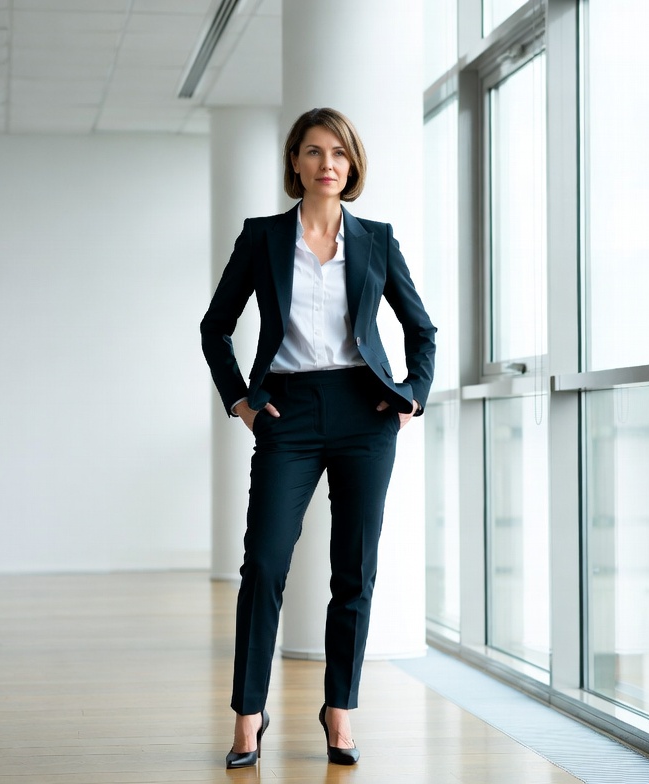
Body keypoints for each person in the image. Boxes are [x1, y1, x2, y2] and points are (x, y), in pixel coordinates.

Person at [200, 107, 436, 768]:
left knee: (353, 570)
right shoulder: (262, 238)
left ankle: (340, 711)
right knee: (264, 565)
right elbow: (214, 326)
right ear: (295, 164)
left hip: (367, 411)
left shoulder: (377, 242)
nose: (327, 162)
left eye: (339, 151)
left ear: (352, 165)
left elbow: (423, 330)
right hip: (289, 413)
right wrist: (240, 402)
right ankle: (249, 714)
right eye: (313, 151)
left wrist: (412, 394)